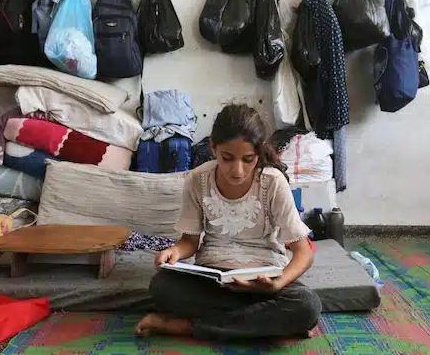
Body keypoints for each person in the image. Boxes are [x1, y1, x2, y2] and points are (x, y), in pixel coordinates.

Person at [135, 104, 322, 341]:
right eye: (227, 158)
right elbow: (189, 242)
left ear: (259, 153)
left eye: (248, 159)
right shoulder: (197, 180)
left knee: (306, 305)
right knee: (162, 287)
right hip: (213, 278)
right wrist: (173, 252)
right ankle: (269, 324)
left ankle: (186, 327)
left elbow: (303, 252)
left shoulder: (272, 182)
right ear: (213, 147)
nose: (238, 170)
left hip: (262, 283)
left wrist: (279, 283)